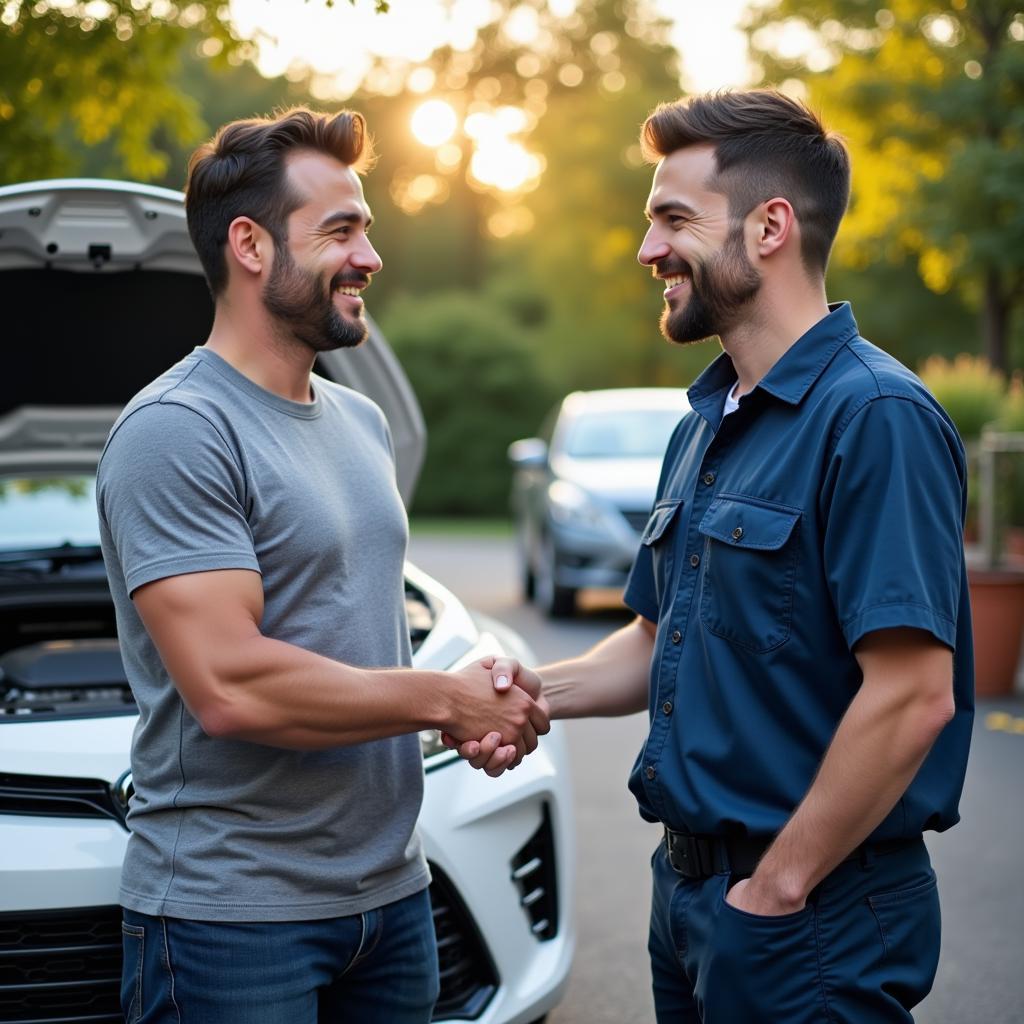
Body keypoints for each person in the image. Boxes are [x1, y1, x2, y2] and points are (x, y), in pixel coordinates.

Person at [456, 90, 973, 1022]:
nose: (649, 249)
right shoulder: (706, 423)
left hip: (812, 913)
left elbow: (911, 695)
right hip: (693, 901)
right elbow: (658, 640)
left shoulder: (876, 418)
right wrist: (522, 692)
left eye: (673, 218)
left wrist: (776, 891)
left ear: (771, 227)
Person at [96, 107, 548, 1024]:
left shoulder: (363, 422)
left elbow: (355, 631)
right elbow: (233, 686)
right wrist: (447, 701)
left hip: (389, 897)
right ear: (251, 245)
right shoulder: (177, 430)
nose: (370, 257)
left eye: (367, 230)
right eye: (339, 231)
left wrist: (479, 704)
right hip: (232, 918)